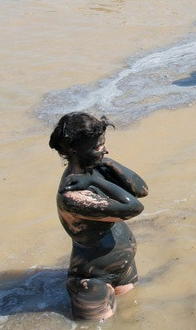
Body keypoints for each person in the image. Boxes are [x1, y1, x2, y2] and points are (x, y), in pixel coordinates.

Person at [50, 112, 148, 321]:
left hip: (123, 267)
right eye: (98, 147)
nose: (105, 150)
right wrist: (95, 182)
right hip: (93, 280)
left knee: (132, 319)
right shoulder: (72, 195)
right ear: (74, 150)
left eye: (103, 144)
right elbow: (133, 208)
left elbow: (141, 190)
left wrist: (108, 163)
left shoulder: (97, 168)